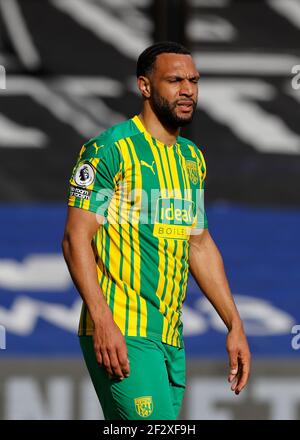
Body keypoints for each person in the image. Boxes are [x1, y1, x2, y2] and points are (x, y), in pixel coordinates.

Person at [62, 41, 251, 420]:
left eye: (193, 80)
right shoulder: (109, 149)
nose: (188, 90)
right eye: (175, 80)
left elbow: (198, 244)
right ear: (145, 87)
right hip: (122, 330)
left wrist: (235, 324)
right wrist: (102, 320)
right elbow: (74, 239)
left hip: (170, 337)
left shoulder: (191, 158)